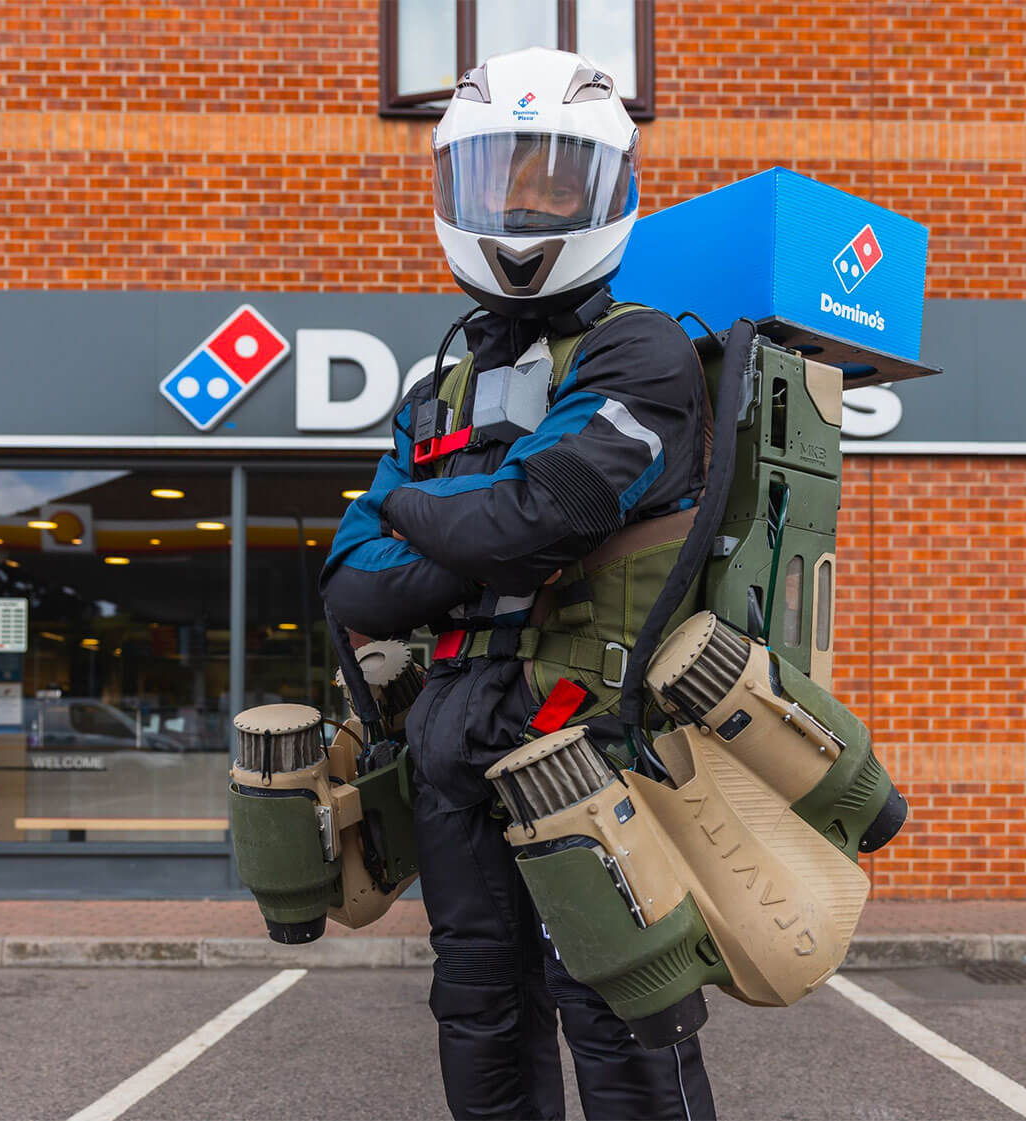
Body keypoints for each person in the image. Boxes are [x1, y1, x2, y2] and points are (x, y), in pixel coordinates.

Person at [320, 46, 717, 1121]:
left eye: (555, 183)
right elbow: (353, 585)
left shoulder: (643, 354)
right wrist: (480, 525)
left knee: (622, 1009)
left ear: (610, 189)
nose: (523, 209)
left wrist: (412, 507)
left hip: (587, 735)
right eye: (500, 179)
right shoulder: (436, 386)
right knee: (478, 1005)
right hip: (452, 737)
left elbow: (536, 518)